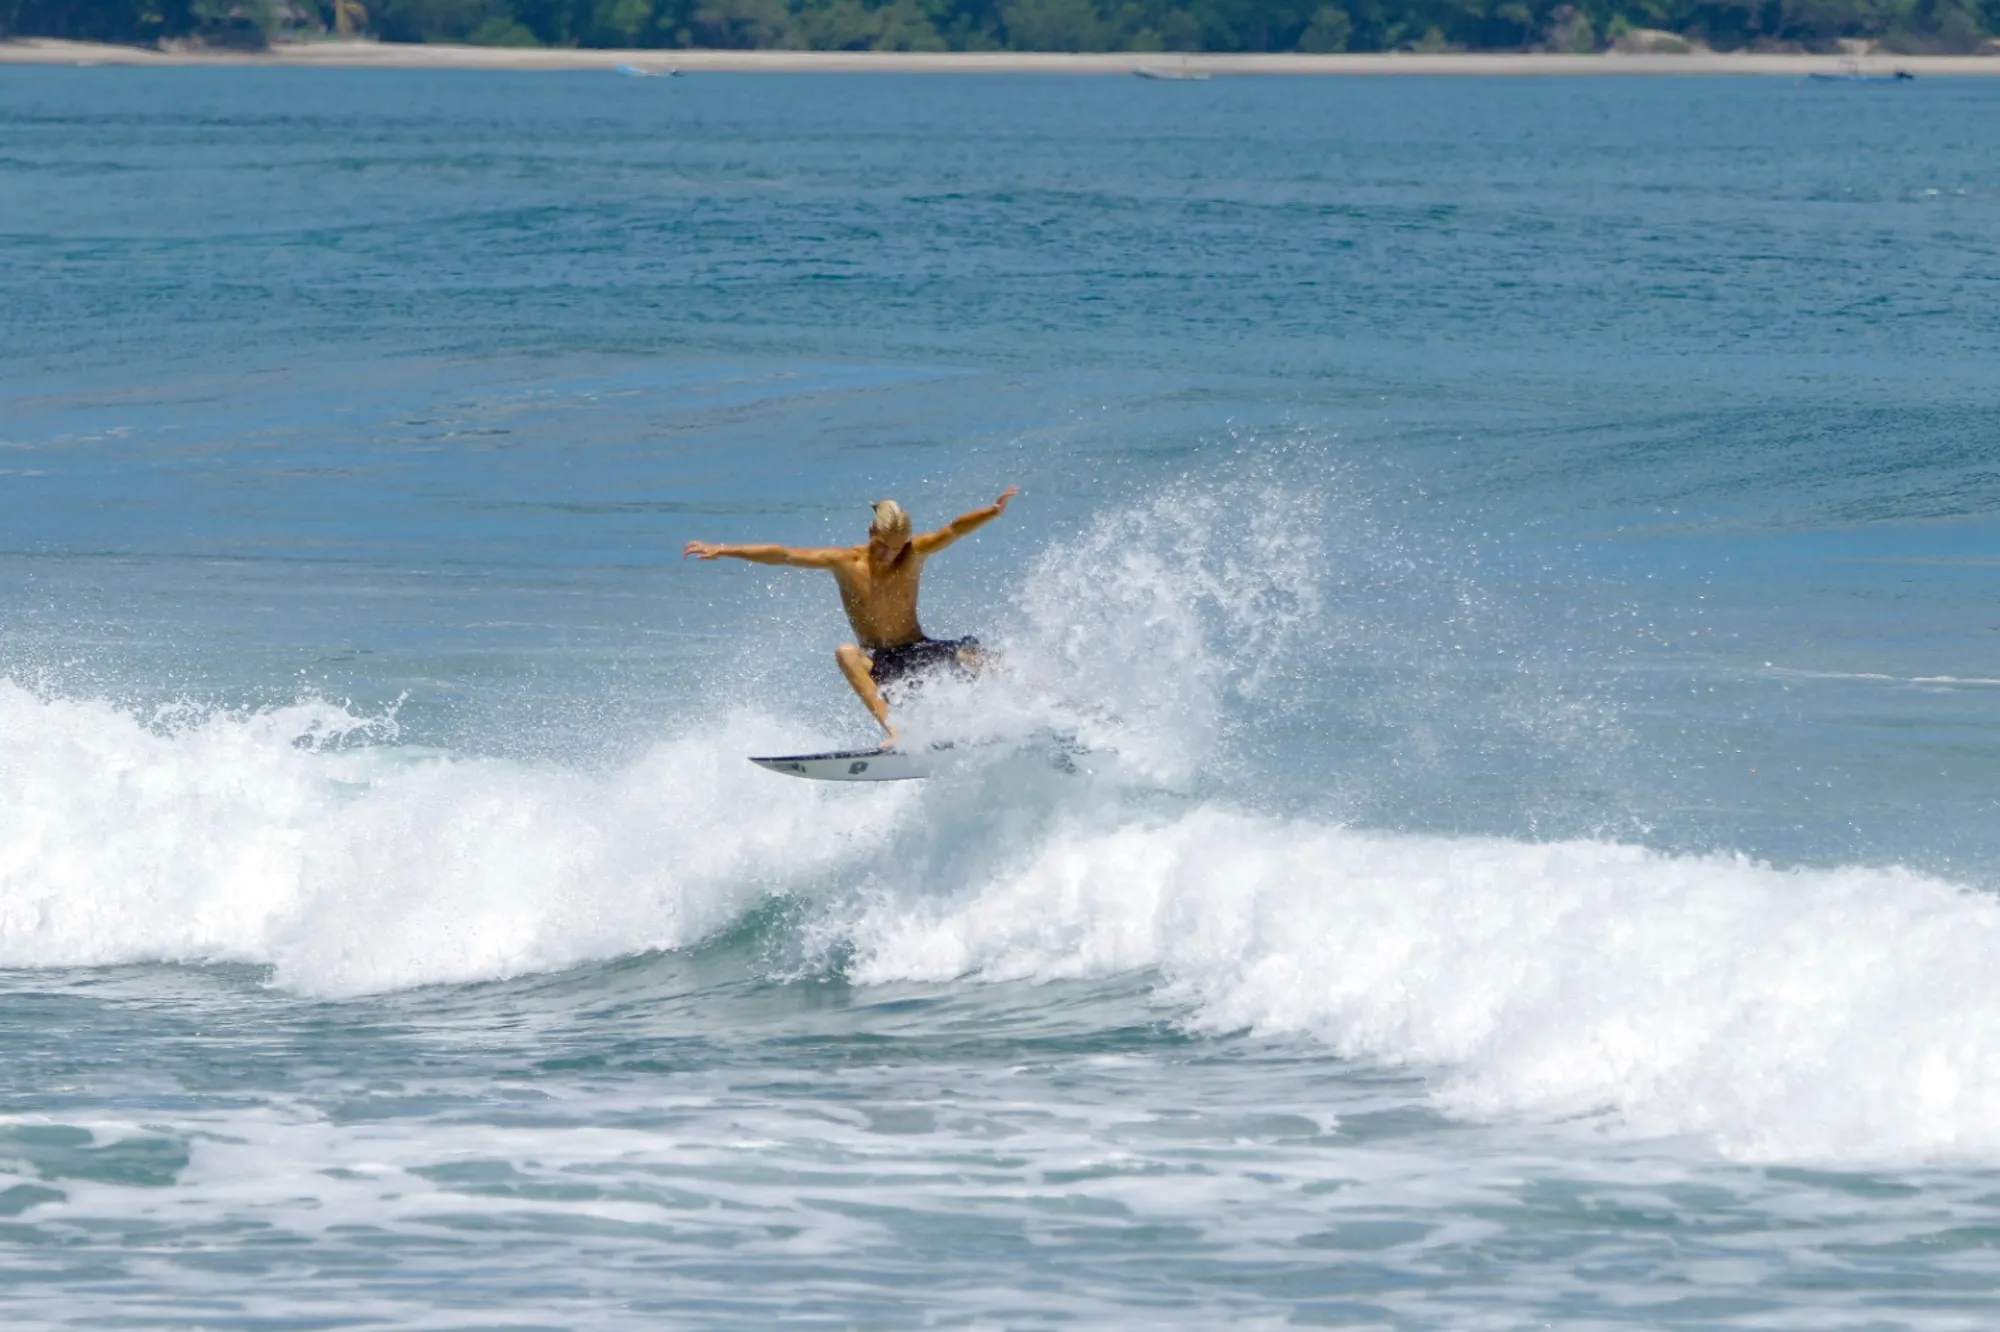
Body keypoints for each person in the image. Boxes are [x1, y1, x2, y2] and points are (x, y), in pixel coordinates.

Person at [683, 487, 1019, 746]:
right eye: (887, 545)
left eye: (900, 546)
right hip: (882, 662)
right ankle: (896, 731)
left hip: (919, 649)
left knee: (979, 657)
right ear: (872, 531)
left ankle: (1046, 703)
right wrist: (724, 549)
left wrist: (992, 511)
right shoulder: (845, 562)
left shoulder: (912, 554)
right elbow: (783, 554)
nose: (893, 554)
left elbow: (954, 529)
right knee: (845, 652)